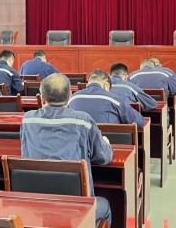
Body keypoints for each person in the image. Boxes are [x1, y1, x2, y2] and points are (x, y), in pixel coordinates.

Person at [21, 73, 112, 228]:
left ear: (42, 98)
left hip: (36, 206)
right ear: (70, 95)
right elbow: (103, 157)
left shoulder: (27, 120)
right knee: (105, 205)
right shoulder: (83, 120)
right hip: (76, 209)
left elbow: (25, 153)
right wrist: (106, 144)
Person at [69, 69, 145, 128]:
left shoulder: (72, 98)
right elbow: (139, 121)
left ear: (88, 84)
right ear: (106, 85)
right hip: (108, 142)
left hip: (78, 142)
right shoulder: (115, 100)